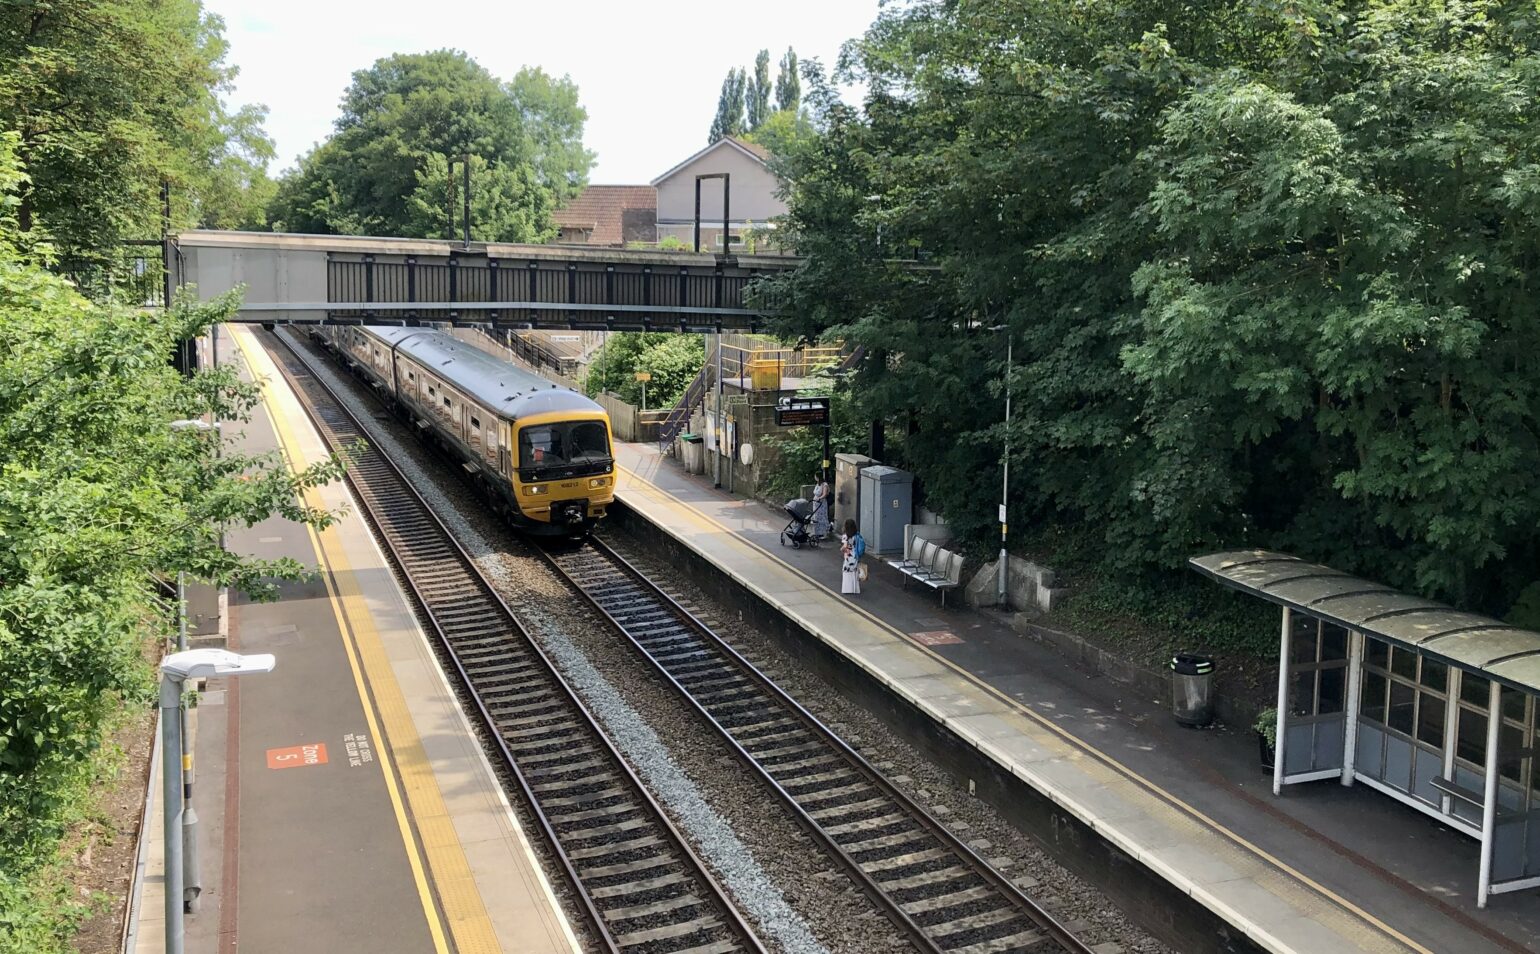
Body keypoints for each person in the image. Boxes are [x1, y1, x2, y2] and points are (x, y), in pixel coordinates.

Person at [840, 518, 865, 595]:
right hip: (855, 556)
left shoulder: (845, 536)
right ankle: (855, 589)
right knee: (854, 572)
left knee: (846, 572)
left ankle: (847, 589)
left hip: (848, 557)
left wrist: (841, 549)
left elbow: (844, 547)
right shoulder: (857, 535)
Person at [811, 472, 831, 540]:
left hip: (821, 503)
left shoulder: (824, 484)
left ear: (818, 477)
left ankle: (824, 533)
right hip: (816, 503)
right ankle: (817, 533)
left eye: (815, 476)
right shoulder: (818, 484)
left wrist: (819, 498)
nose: (814, 477)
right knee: (816, 517)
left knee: (822, 517)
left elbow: (825, 494)